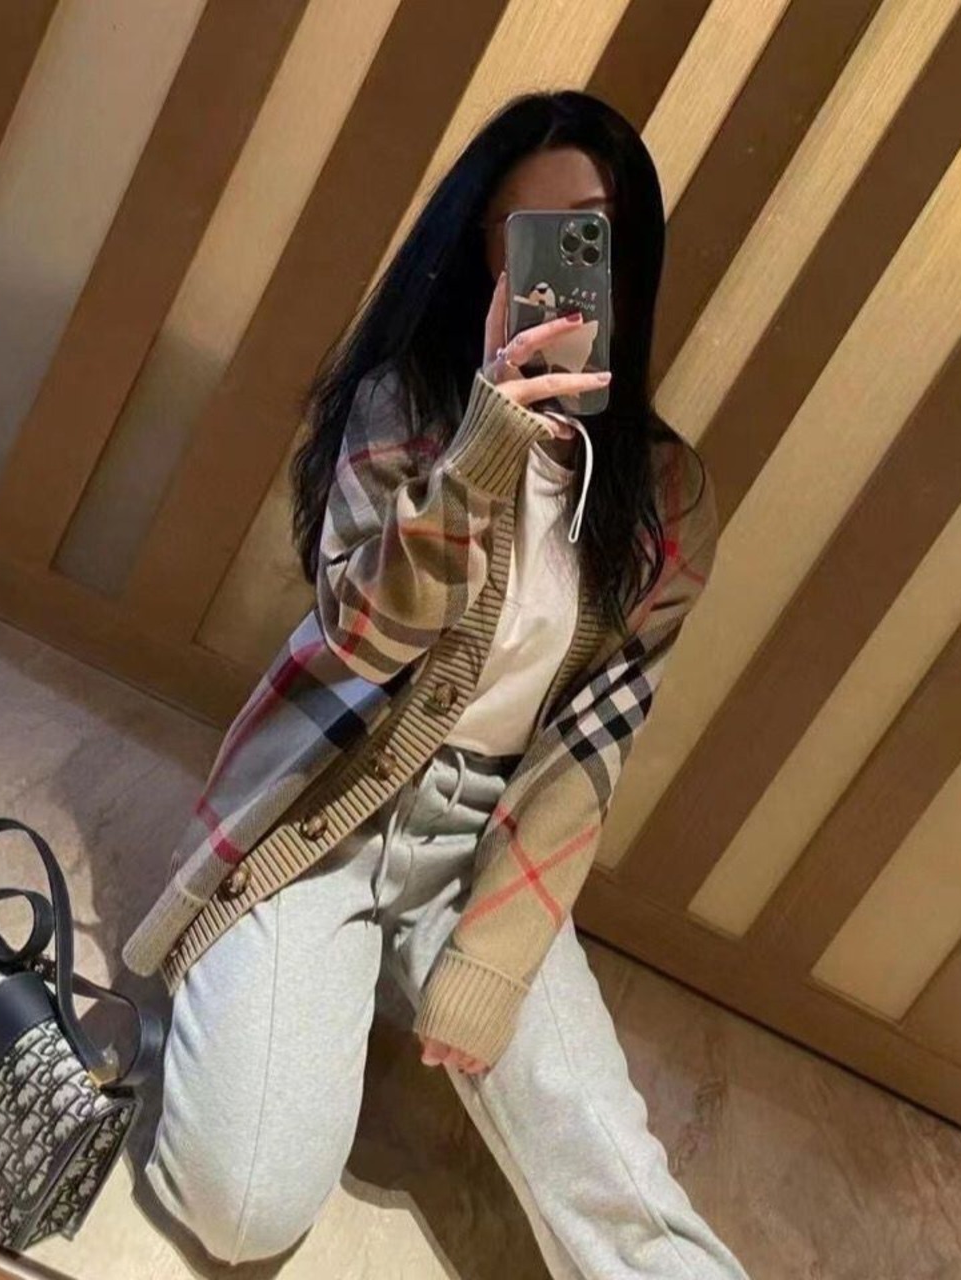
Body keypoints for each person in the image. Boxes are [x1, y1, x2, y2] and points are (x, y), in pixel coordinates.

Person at [132, 89, 749, 1278]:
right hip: (330, 803)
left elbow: (592, 745)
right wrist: (483, 448)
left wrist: (497, 952)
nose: (560, 271)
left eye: (589, 235)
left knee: (618, 1185)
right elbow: (364, 635)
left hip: (488, 838)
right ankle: (265, 990)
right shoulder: (405, 408)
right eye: (529, 235)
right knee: (244, 1209)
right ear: (482, 249)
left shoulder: (669, 500)